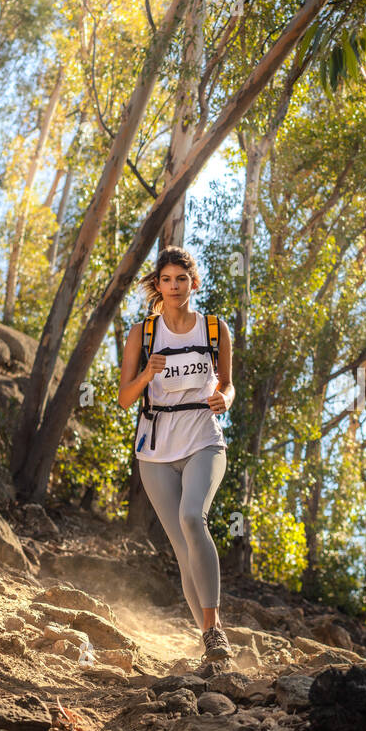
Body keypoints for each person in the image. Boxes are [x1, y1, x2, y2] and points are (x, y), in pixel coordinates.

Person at [118, 245, 234, 662]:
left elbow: (227, 383)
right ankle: (210, 640)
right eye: (166, 279)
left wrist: (224, 398)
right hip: (155, 453)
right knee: (184, 551)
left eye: (181, 279)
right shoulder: (143, 333)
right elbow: (124, 398)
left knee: (192, 518)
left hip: (204, 439)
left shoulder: (215, 329)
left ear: (192, 283)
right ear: (158, 284)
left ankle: (215, 627)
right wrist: (147, 373)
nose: (173, 286)